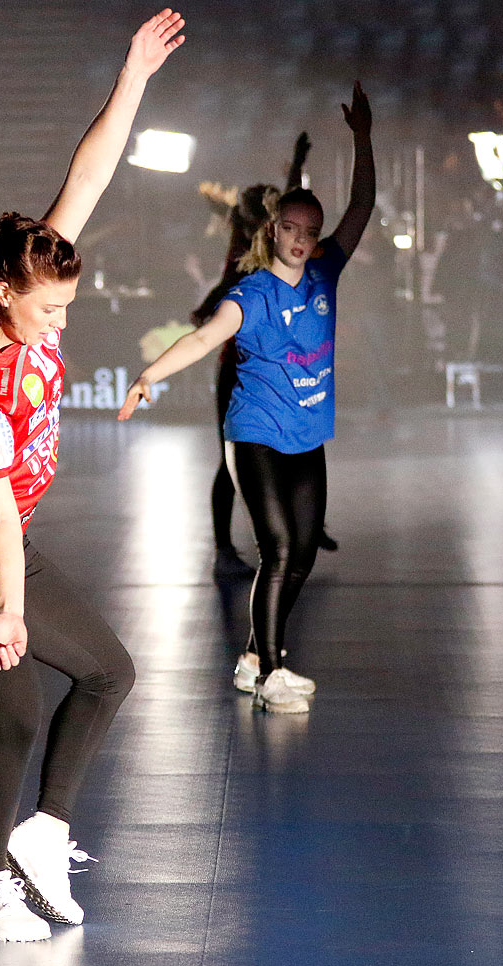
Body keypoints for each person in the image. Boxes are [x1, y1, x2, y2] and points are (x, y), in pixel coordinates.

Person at [0, 9, 184, 943]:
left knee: (109, 672)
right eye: (52, 309)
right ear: (3, 296)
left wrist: (135, 78)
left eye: (70, 302)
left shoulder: (27, 273)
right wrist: (12, 611)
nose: (62, 321)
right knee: (15, 717)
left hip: (3, 540)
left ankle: (45, 833)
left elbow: (89, 175)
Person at [118, 82, 374, 714]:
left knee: (306, 552)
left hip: (306, 434)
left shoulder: (325, 273)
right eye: (292, 227)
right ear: (275, 229)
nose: (302, 238)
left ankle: (254, 654)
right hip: (254, 431)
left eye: (311, 230)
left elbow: (363, 206)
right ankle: (273, 674)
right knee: (280, 548)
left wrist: (363, 140)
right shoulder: (252, 292)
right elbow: (205, 337)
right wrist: (152, 373)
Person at [194, 135, 338, 574]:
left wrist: (297, 161)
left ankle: (307, 525)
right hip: (238, 370)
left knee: (292, 446)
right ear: (263, 218)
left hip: (272, 369)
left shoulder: (271, 240)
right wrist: (208, 306)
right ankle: (223, 549)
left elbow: (292, 197)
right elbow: (228, 290)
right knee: (231, 458)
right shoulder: (248, 250)